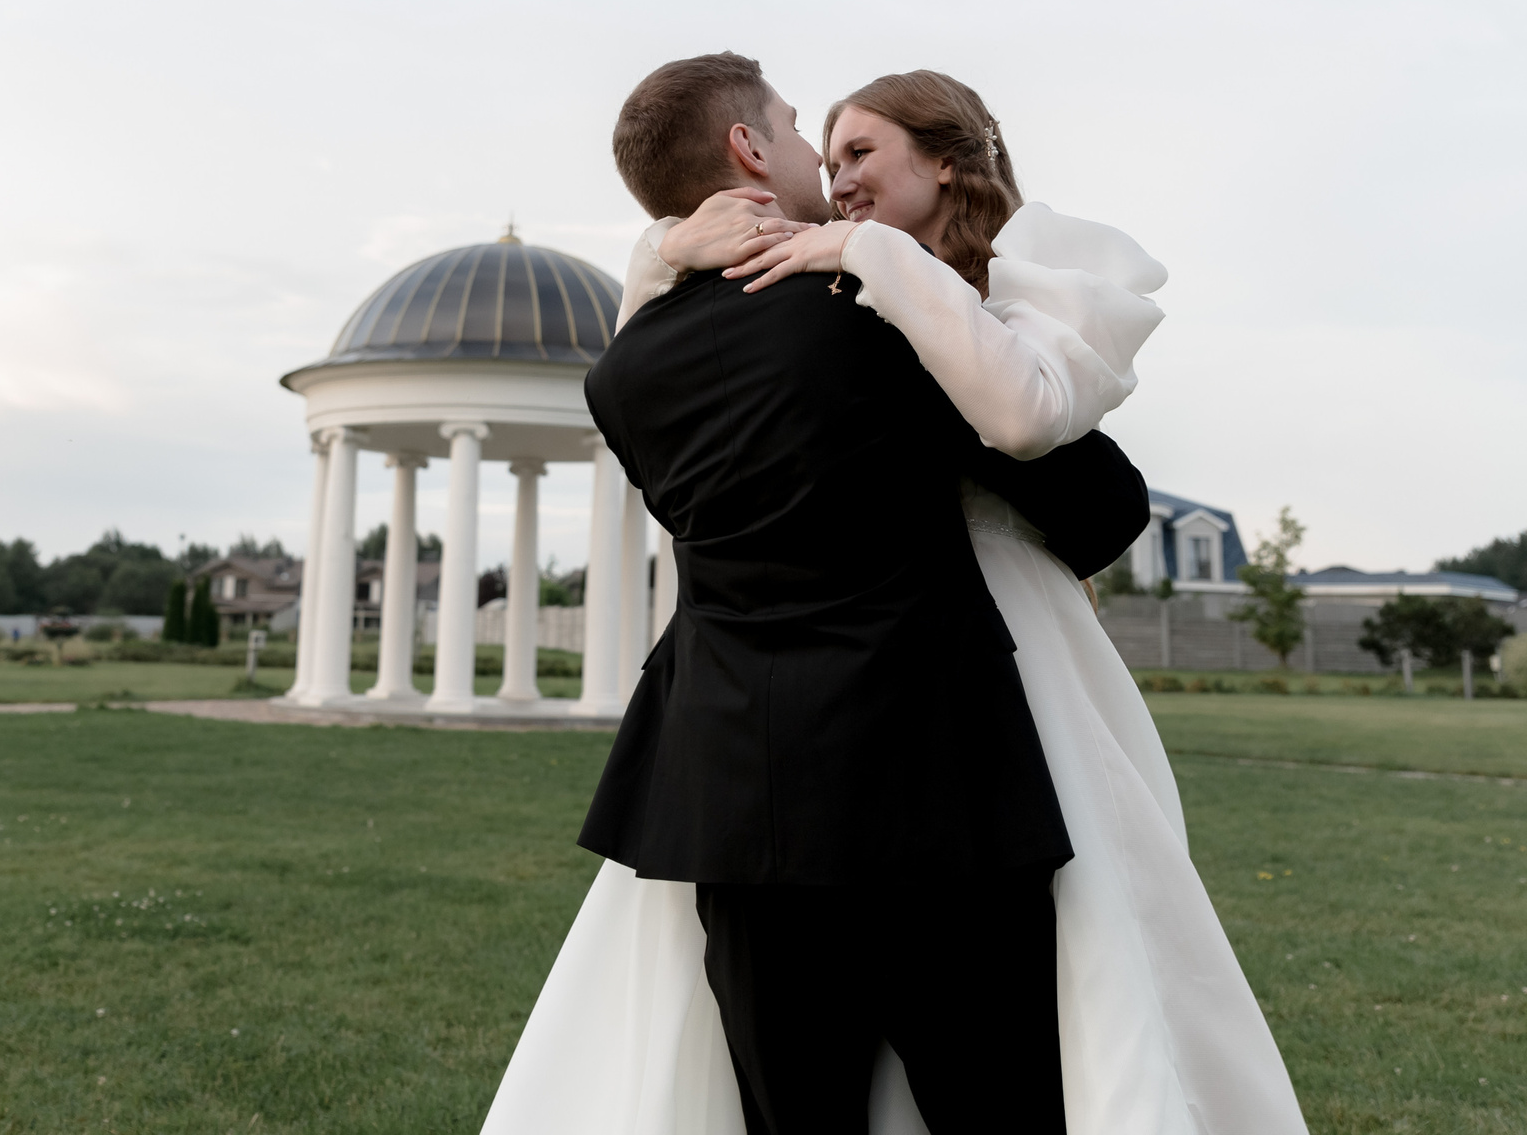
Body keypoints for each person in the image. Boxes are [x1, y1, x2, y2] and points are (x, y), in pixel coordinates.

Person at [482, 58, 1307, 1135]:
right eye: (795, 131)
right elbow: (1095, 499)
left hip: (726, 793)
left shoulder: (624, 373)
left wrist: (660, 251)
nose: (825, 167)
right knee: (995, 1097)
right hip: (925, 781)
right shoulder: (876, 313)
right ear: (746, 152)